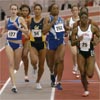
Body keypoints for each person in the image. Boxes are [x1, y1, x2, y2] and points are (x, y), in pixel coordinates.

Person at [71, 9, 100, 96]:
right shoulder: (76, 29)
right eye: (82, 18)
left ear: (88, 18)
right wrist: (77, 40)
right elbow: (72, 42)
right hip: (81, 52)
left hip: (90, 51)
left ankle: (88, 67)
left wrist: (96, 41)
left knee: (90, 74)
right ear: (79, 18)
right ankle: (86, 90)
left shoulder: (92, 28)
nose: (84, 19)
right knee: (82, 72)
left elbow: (99, 35)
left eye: (85, 18)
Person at [0, 4, 28, 93]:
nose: (13, 11)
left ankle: (15, 69)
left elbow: (26, 30)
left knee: (16, 66)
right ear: (10, 10)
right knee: (11, 64)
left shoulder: (20, 19)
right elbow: (5, 29)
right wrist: (1, 33)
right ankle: (14, 85)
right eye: (12, 9)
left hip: (18, 44)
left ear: (17, 11)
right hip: (9, 43)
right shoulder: (7, 20)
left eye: (15, 9)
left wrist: (18, 27)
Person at [43, 3, 67, 90]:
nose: (56, 10)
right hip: (51, 43)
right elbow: (44, 31)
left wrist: (67, 29)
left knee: (60, 59)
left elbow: (64, 30)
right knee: (51, 64)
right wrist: (53, 22)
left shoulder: (62, 19)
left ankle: (59, 82)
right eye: (54, 8)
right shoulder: (47, 18)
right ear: (50, 10)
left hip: (61, 42)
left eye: (57, 8)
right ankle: (52, 73)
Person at [29, 4, 46, 89]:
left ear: (41, 10)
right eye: (35, 9)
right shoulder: (30, 20)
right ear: (33, 10)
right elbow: (26, 29)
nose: (37, 10)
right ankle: (34, 67)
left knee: (42, 66)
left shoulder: (44, 20)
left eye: (39, 9)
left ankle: (38, 81)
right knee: (34, 61)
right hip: (33, 44)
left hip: (42, 44)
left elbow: (47, 29)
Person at [66, 5, 80, 78]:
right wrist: (70, 28)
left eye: (76, 10)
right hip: (72, 39)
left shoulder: (81, 19)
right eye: (73, 10)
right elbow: (66, 27)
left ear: (78, 11)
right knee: (74, 53)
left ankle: (77, 68)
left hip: (80, 39)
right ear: (71, 11)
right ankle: (75, 64)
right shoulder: (69, 20)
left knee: (79, 54)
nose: (75, 12)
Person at [20, 4, 31, 82]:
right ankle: (25, 72)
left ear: (29, 12)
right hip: (19, 40)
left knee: (25, 54)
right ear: (21, 11)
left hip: (27, 39)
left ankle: (26, 74)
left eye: (26, 10)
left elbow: (31, 29)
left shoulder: (30, 19)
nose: (25, 12)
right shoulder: (18, 19)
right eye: (23, 10)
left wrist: (28, 35)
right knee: (23, 57)